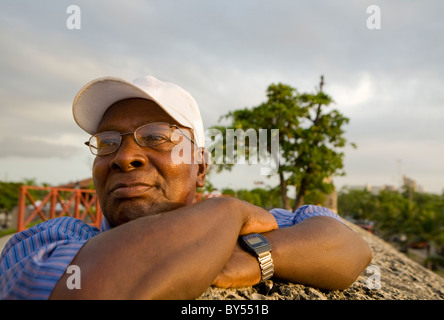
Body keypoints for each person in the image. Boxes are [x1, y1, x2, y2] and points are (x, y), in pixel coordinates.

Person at [0, 75, 372, 299]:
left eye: (157, 137)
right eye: (107, 140)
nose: (124, 156)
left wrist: (250, 259)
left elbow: (346, 246)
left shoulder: (254, 229)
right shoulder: (48, 239)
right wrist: (229, 211)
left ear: (200, 166)